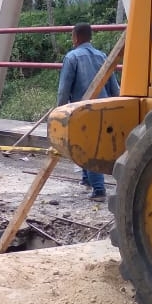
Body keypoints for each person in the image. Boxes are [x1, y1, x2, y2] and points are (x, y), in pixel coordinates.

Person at [57, 22, 120, 202]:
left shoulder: (72, 58)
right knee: (89, 145)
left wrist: (59, 109)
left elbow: (64, 89)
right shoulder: (102, 56)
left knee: (88, 148)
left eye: (72, 36)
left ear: (76, 37)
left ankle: (99, 189)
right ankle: (86, 179)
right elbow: (114, 87)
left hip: (81, 111)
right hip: (103, 107)